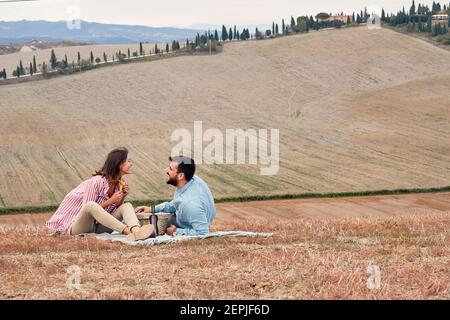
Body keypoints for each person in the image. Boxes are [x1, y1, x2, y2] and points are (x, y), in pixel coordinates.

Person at [46, 147, 153, 241]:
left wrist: (123, 196)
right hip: (78, 227)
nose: (131, 164)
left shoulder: (122, 182)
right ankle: (128, 232)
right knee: (91, 205)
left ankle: (137, 231)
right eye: (128, 161)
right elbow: (87, 210)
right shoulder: (96, 182)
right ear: (119, 164)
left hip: (98, 227)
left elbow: (116, 210)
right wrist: (110, 201)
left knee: (127, 205)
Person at [135, 156, 216, 236]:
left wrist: (176, 232)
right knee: (152, 219)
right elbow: (176, 204)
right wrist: (152, 209)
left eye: (170, 169)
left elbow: (203, 233)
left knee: (153, 226)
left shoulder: (190, 204)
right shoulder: (190, 179)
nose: (165, 170)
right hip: (189, 214)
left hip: (190, 223)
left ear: (181, 176)